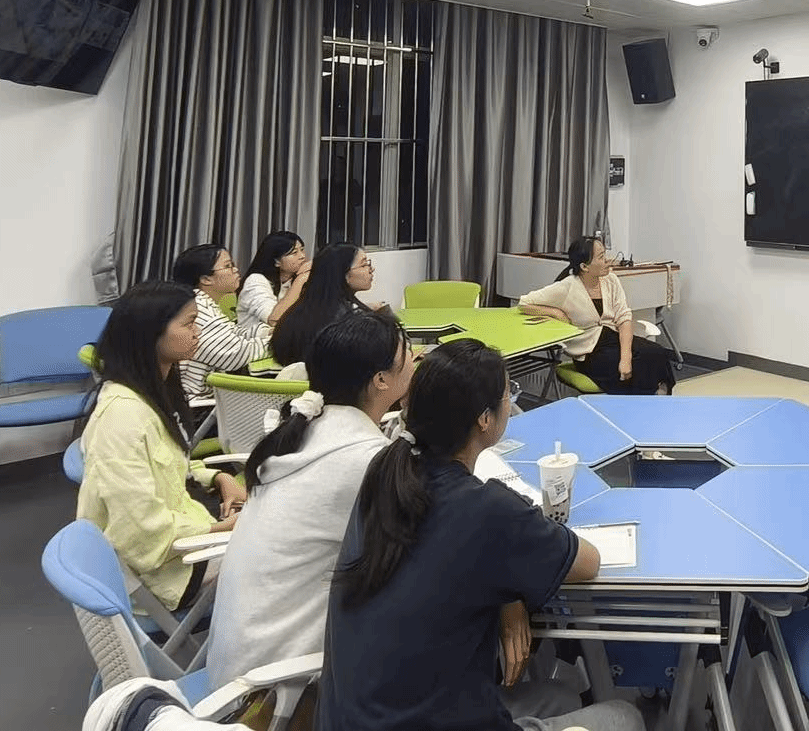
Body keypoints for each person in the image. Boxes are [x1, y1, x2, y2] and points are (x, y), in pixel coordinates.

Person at [317, 341, 643, 731]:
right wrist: (521, 537)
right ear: (485, 419)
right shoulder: (490, 509)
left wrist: (507, 592)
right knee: (624, 717)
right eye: (508, 395)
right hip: (429, 719)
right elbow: (588, 562)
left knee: (561, 696)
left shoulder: (386, 474)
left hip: (354, 717)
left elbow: (441, 560)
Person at [206, 310, 415, 688]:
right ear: (382, 379)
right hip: (275, 693)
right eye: (409, 353)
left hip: (233, 665)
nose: (416, 360)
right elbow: (426, 547)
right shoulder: (364, 459)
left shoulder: (303, 432)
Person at [77, 282, 246, 611]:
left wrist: (219, 478)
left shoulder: (153, 389)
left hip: (181, 544)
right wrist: (221, 528)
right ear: (150, 334)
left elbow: (168, 460)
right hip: (164, 574)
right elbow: (138, 530)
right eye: (189, 323)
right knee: (291, 560)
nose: (197, 332)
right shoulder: (122, 417)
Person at [518, 237, 675, 396]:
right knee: (637, 365)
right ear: (584, 266)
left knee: (657, 353)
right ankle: (642, 404)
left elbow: (624, 317)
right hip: (589, 353)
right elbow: (524, 303)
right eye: (601, 257)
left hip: (612, 338)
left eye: (605, 254)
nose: (607, 260)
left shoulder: (611, 280)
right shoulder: (567, 287)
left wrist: (625, 357)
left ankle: (659, 399)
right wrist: (556, 312)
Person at [172, 244, 276, 402]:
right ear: (206, 279)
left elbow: (234, 333)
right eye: (228, 266)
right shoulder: (197, 309)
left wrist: (266, 332)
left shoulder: (203, 302)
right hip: (198, 403)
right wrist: (280, 339)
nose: (236, 269)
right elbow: (236, 354)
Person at [269, 242, 382, 371]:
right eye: (364, 264)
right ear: (343, 275)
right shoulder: (347, 323)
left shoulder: (300, 312)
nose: (371, 269)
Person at [236, 230, 311, 334]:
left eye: (302, 250)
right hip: (254, 342)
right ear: (276, 261)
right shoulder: (255, 281)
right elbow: (275, 320)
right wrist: (302, 278)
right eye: (294, 253)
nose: (302, 256)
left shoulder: (294, 282)